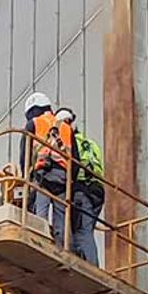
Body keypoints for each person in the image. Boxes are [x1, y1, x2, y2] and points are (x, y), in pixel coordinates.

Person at [20, 91, 74, 246]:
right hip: (63, 177)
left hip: (43, 175)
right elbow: (74, 158)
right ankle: (62, 250)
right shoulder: (66, 128)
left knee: (40, 215)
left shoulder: (34, 123)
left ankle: (40, 244)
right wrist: (71, 180)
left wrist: (26, 178)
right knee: (61, 218)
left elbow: (25, 153)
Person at [57, 107, 104, 265]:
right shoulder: (90, 144)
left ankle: (91, 268)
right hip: (97, 191)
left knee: (81, 232)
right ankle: (85, 260)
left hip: (81, 190)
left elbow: (72, 165)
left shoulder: (70, 141)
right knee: (86, 230)